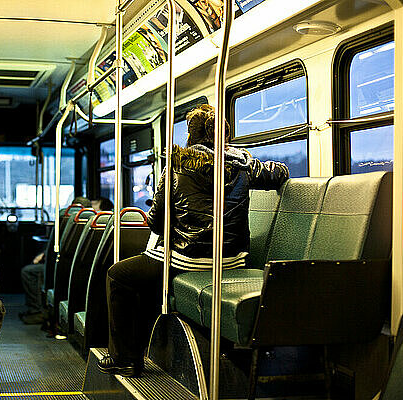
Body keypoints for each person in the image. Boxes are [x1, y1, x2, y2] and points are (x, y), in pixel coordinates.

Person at [97, 104, 289, 377]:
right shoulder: (245, 165)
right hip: (232, 259)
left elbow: (156, 221)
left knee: (119, 275)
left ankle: (125, 358)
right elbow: (279, 172)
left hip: (188, 259)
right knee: (148, 279)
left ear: (192, 135)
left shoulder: (178, 164)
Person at [19, 196, 92, 325]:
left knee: (28, 271)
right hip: (81, 266)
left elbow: (57, 247)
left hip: (61, 266)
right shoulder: (92, 223)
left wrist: (45, 255)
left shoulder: (67, 221)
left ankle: (37, 310)